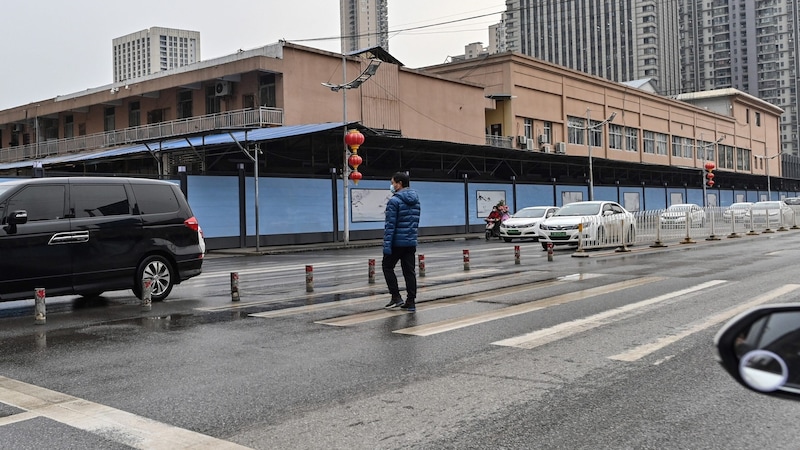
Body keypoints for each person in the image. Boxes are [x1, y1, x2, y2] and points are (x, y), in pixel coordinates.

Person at [382, 171, 421, 312]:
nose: (392, 186)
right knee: (409, 272)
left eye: (393, 183)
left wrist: (387, 245)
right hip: (411, 242)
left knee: (387, 266)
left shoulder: (394, 201)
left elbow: (390, 226)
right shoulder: (416, 200)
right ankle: (411, 301)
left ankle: (396, 296)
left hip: (397, 242)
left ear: (399, 184)